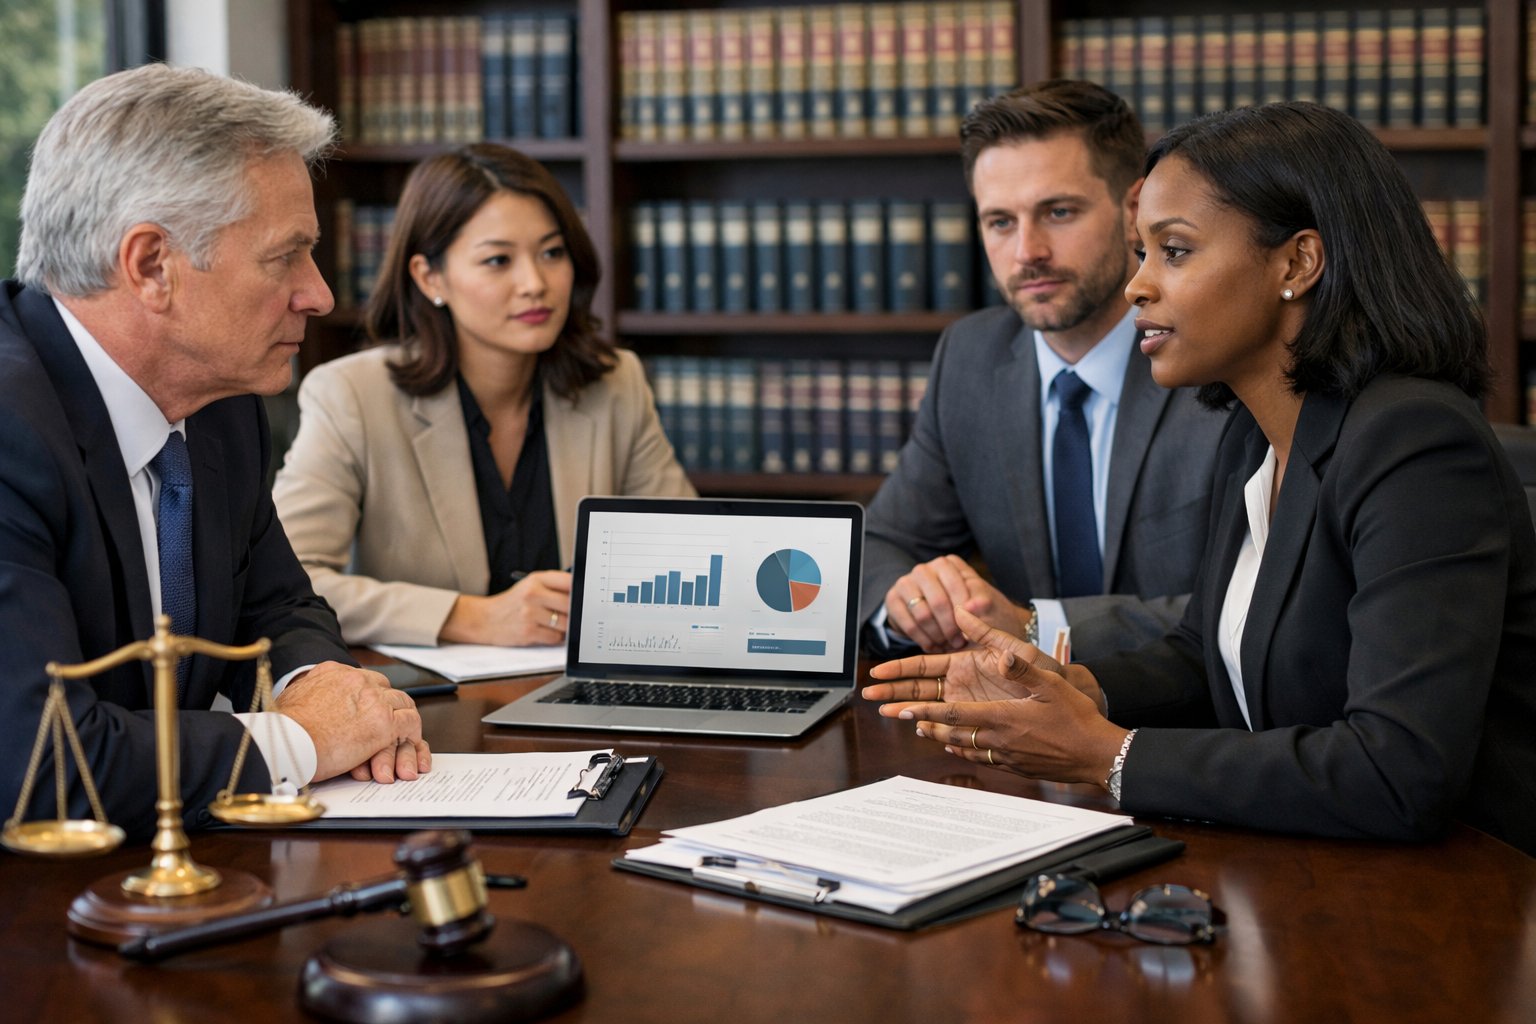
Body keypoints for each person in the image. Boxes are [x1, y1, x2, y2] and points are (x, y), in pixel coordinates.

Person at [865, 102, 1536, 855]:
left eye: (1174, 252)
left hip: (1466, 903)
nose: (1137, 287)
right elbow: (1202, 653)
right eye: (1142, 252)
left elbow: (1394, 772)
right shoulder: (1256, 429)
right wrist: (1078, 692)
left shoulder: (1416, 443)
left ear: (1296, 264)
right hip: (1305, 865)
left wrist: (1105, 755)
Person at [0, 64, 430, 844]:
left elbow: (276, 604)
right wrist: (302, 740)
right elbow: (40, 764)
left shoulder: (221, 401)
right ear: (152, 266)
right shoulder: (7, 431)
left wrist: (323, 685)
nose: (320, 294)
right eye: (286, 256)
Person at [273, 144, 694, 648]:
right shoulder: (352, 396)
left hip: (581, 690)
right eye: (498, 260)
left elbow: (684, 554)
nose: (535, 284)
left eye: (552, 253)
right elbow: (289, 586)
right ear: (430, 277)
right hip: (432, 709)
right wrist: (471, 617)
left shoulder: (614, 383)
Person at [862, 80, 1225, 661]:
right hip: (1008, 727)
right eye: (1000, 222)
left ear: (1135, 211)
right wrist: (910, 601)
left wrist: (1036, 629)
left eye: (1058, 212)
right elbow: (881, 544)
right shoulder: (972, 357)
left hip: (1193, 731)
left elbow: (1249, 608)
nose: (1027, 251)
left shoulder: (1218, 359)